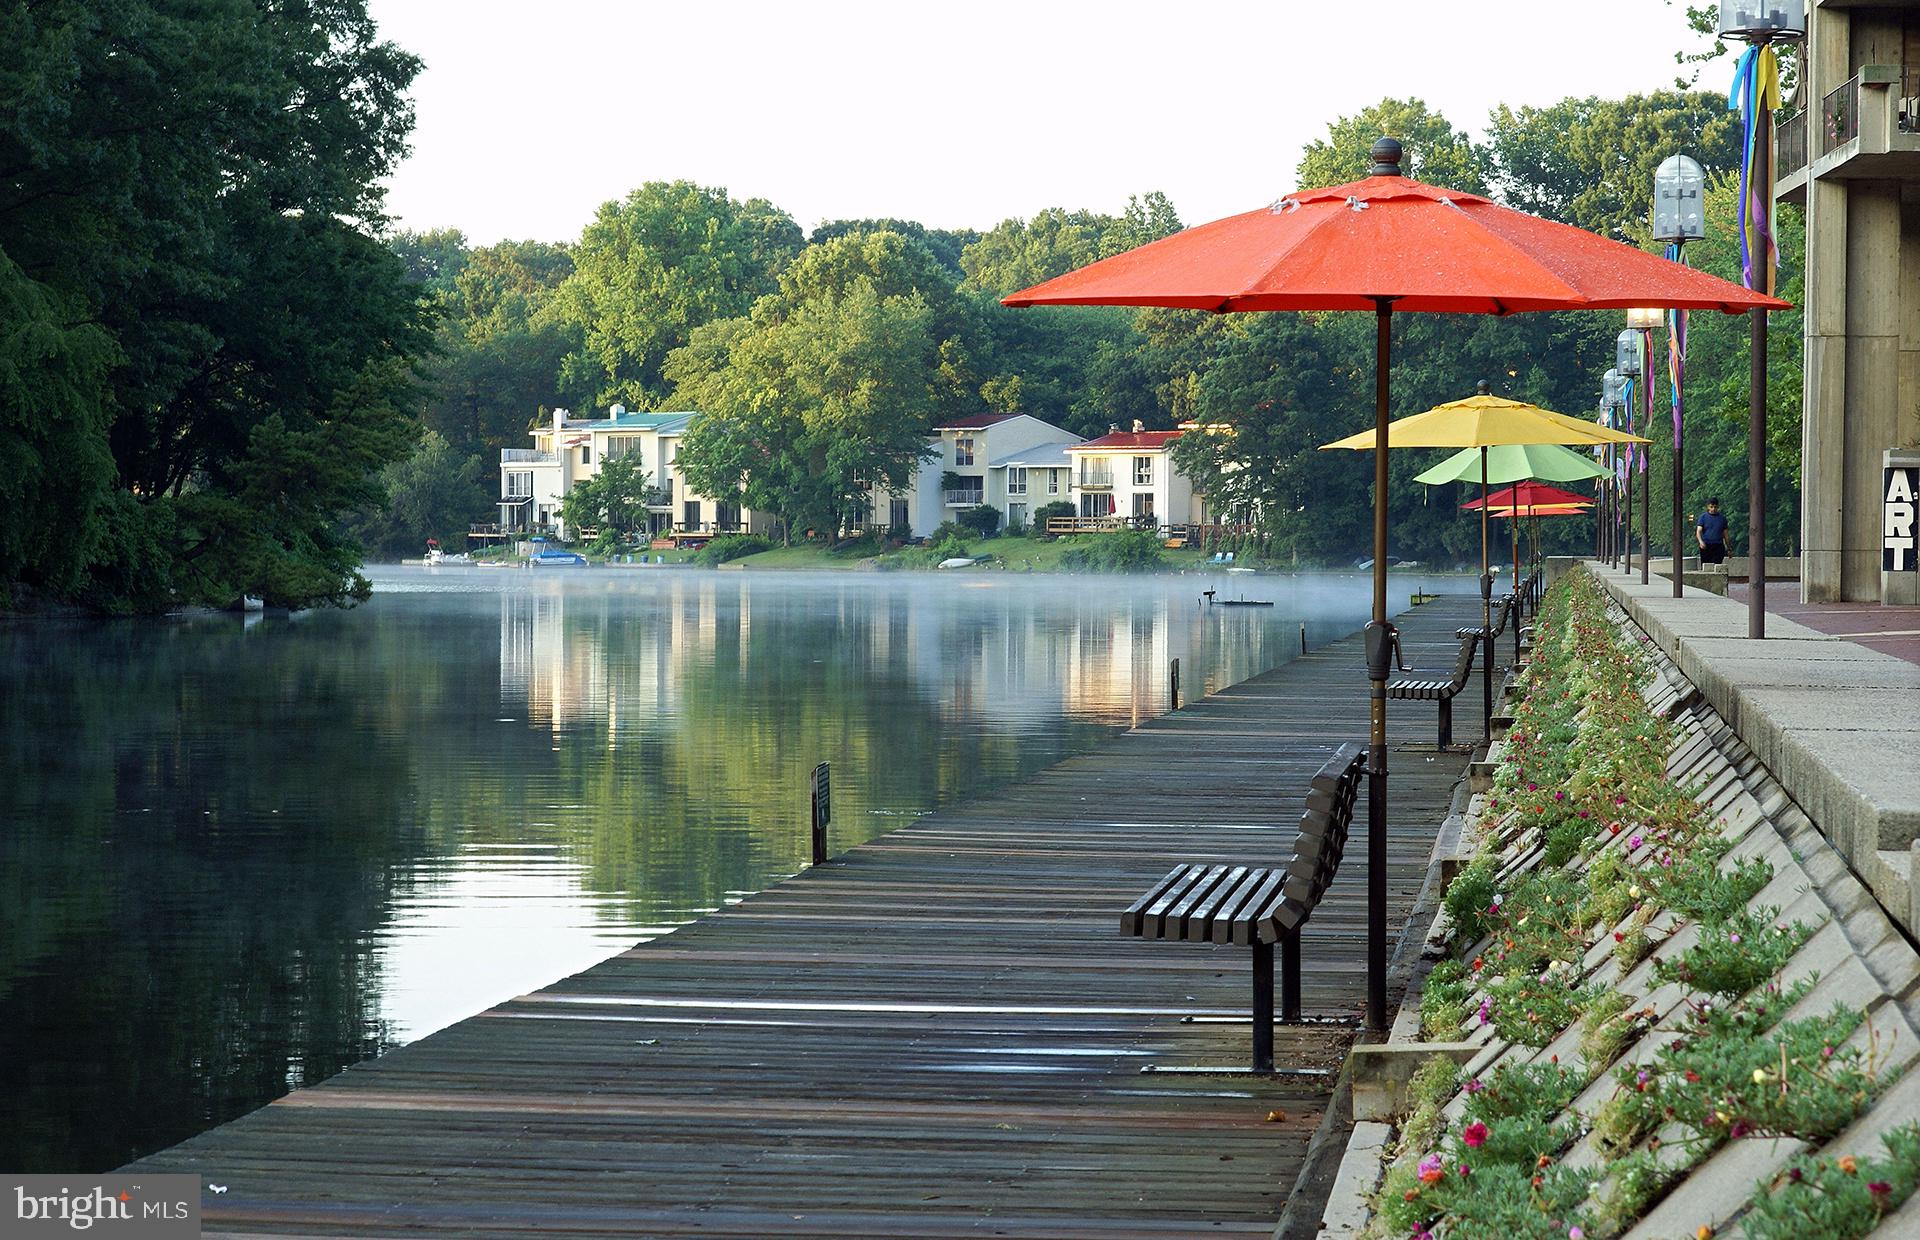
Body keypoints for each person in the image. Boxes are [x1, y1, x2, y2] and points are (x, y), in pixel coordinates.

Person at [1696, 498, 1729, 565]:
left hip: (1718, 545)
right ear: (1708, 507)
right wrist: (1701, 541)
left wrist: (1729, 548)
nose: (1713, 509)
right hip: (1706, 545)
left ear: (1718, 507)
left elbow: (1725, 534)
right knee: (1706, 566)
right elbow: (1698, 531)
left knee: (1717, 564)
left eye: (1715, 507)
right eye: (1711, 507)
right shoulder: (1703, 517)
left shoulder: (1722, 518)